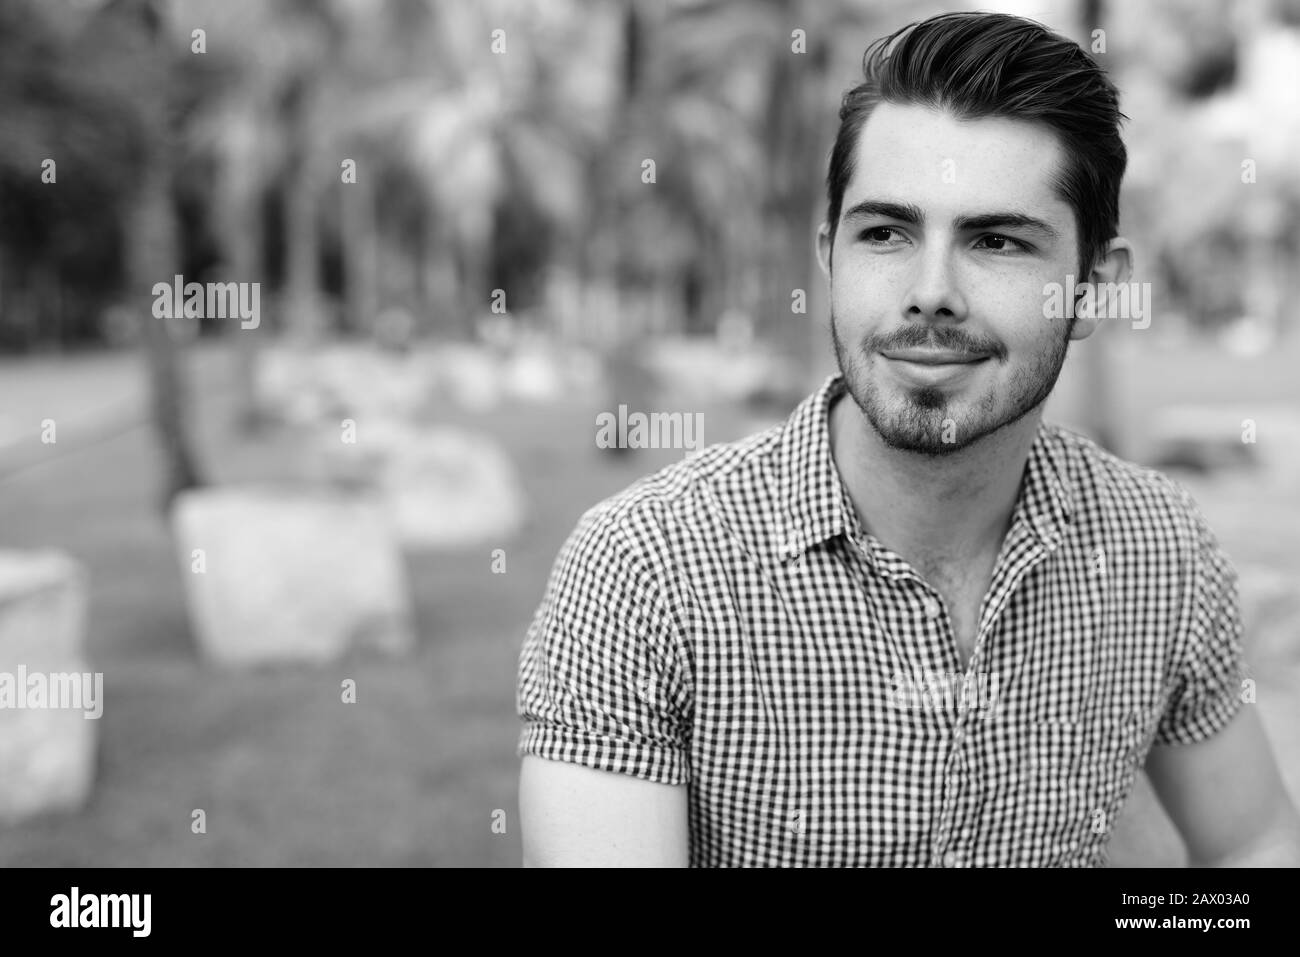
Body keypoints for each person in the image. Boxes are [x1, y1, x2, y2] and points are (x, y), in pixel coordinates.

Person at [515, 11, 1300, 867]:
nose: (931, 293)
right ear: (831, 256)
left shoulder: (1161, 552)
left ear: (1094, 288)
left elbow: (1253, 843)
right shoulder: (646, 571)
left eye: (996, 240)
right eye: (886, 233)